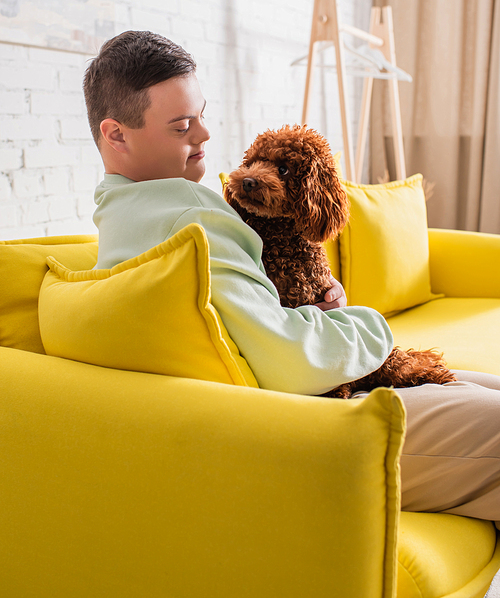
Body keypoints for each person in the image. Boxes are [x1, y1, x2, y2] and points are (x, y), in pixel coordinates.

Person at [84, 30, 500, 527]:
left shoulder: (119, 211)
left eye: (201, 115)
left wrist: (307, 317)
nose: (205, 135)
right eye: (181, 126)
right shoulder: (192, 219)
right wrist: (364, 322)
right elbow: (288, 362)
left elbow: (254, 322)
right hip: (301, 428)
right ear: (117, 134)